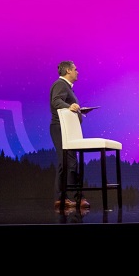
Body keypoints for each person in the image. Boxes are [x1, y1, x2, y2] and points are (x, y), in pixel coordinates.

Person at [50, 60, 90, 209]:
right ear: (68, 71)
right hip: (60, 129)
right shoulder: (60, 84)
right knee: (69, 163)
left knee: (65, 163)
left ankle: (62, 198)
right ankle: (77, 197)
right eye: (75, 69)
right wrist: (69, 106)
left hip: (66, 130)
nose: (77, 72)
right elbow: (56, 101)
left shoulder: (67, 87)